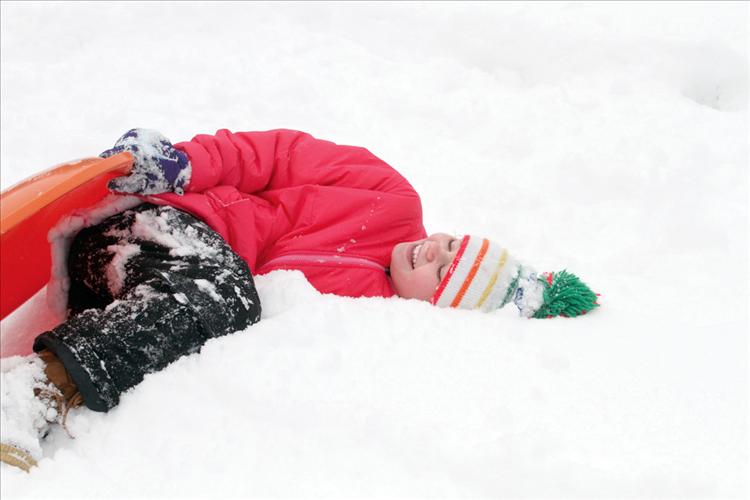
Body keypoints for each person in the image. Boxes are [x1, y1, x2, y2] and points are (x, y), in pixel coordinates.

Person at [0, 128, 598, 471]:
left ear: (439, 312)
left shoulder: (371, 320)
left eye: (445, 273)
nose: (431, 250)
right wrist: (182, 166)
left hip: (124, 292)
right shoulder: (389, 196)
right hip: (151, 227)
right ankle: (32, 391)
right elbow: (279, 153)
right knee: (228, 293)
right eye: (451, 243)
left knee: (224, 302)